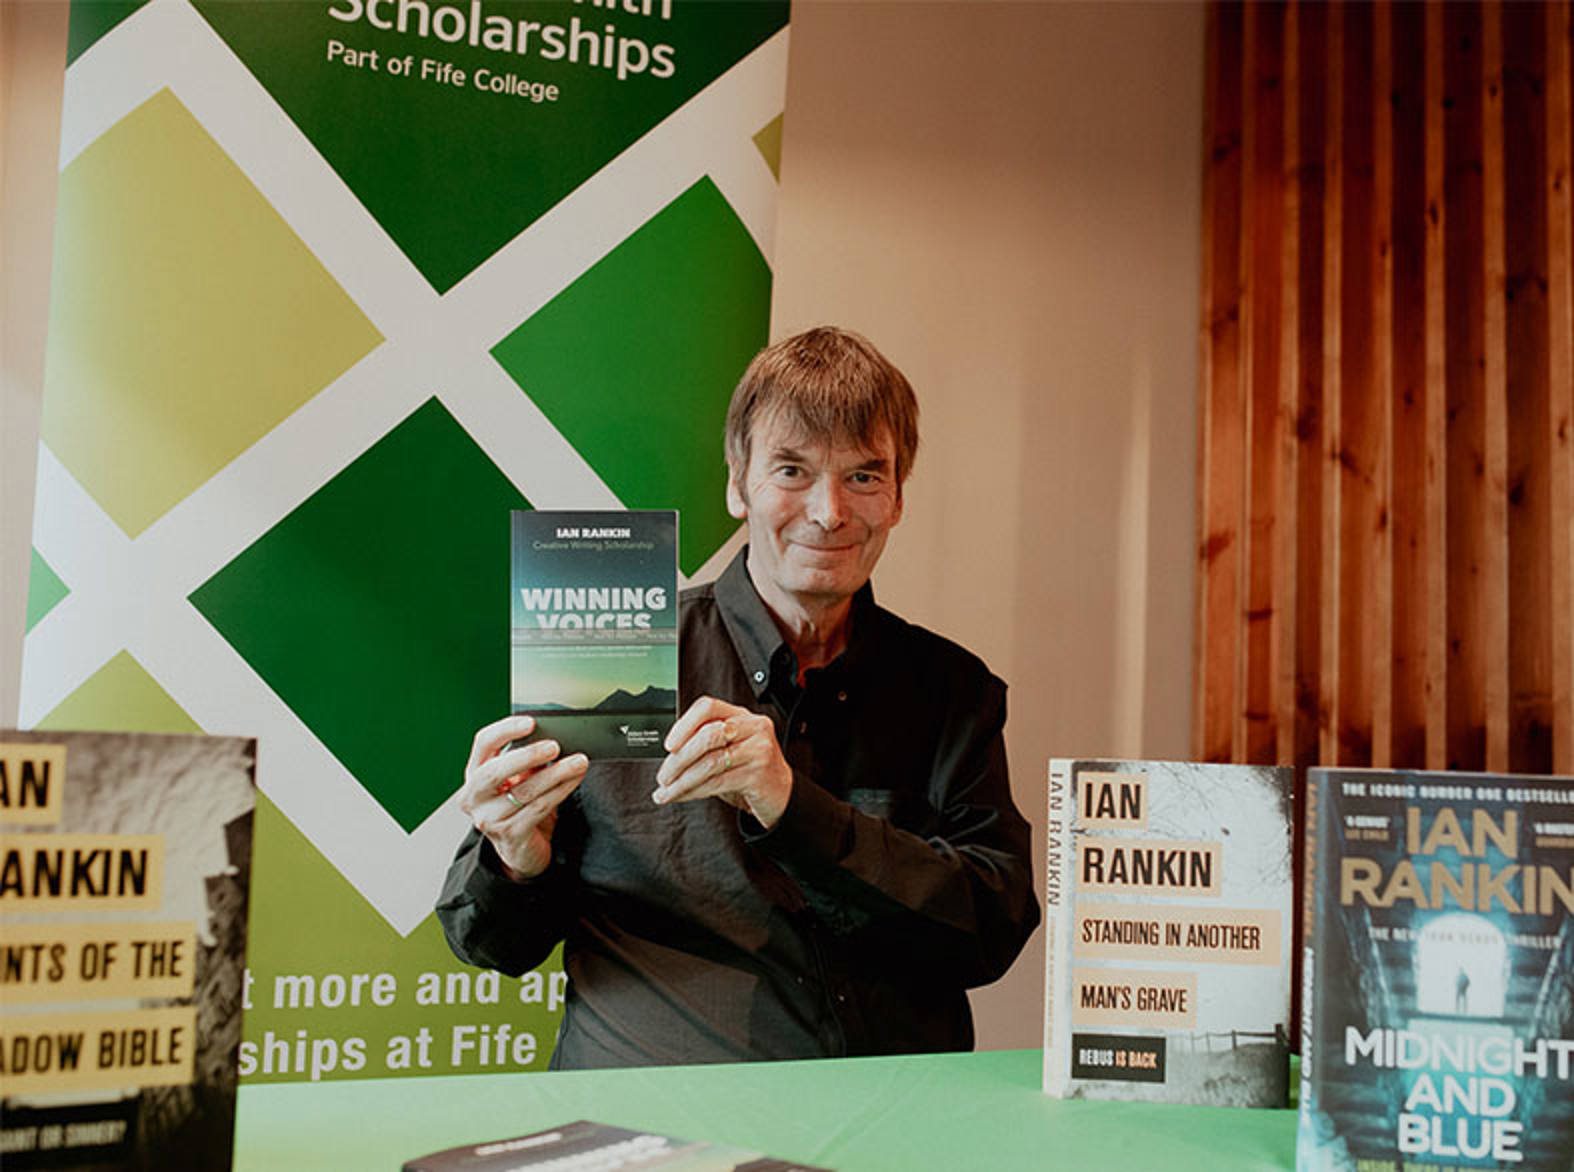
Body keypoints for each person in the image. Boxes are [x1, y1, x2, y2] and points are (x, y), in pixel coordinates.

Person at [437, 326, 1039, 1068]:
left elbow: (992, 930)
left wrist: (794, 807)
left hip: (888, 1123)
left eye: (863, 476)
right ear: (736, 482)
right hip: (650, 1129)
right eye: (791, 470)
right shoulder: (615, 651)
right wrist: (514, 860)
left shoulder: (952, 689)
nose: (828, 512)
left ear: (897, 497)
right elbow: (489, 943)